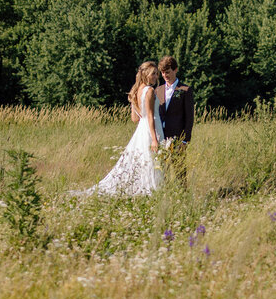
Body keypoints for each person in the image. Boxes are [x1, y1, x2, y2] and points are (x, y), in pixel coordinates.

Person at [82, 61, 165, 195]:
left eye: (156, 74)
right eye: (153, 74)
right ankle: (151, 189)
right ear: (145, 75)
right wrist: (154, 139)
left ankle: (143, 189)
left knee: (144, 159)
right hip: (152, 128)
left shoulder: (136, 91)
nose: (156, 77)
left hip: (141, 129)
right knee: (152, 160)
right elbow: (150, 116)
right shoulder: (149, 90)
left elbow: (135, 118)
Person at [157, 55, 193, 185]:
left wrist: (185, 139)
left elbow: (190, 117)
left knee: (179, 171)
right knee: (162, 170)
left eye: (168, 72)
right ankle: (165, 196)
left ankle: (182, 197)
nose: (165, 75)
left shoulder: (185, 90)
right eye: (162, 73)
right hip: (161, 136)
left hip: (178, 137)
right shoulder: (158, 90)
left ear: (175, 70)